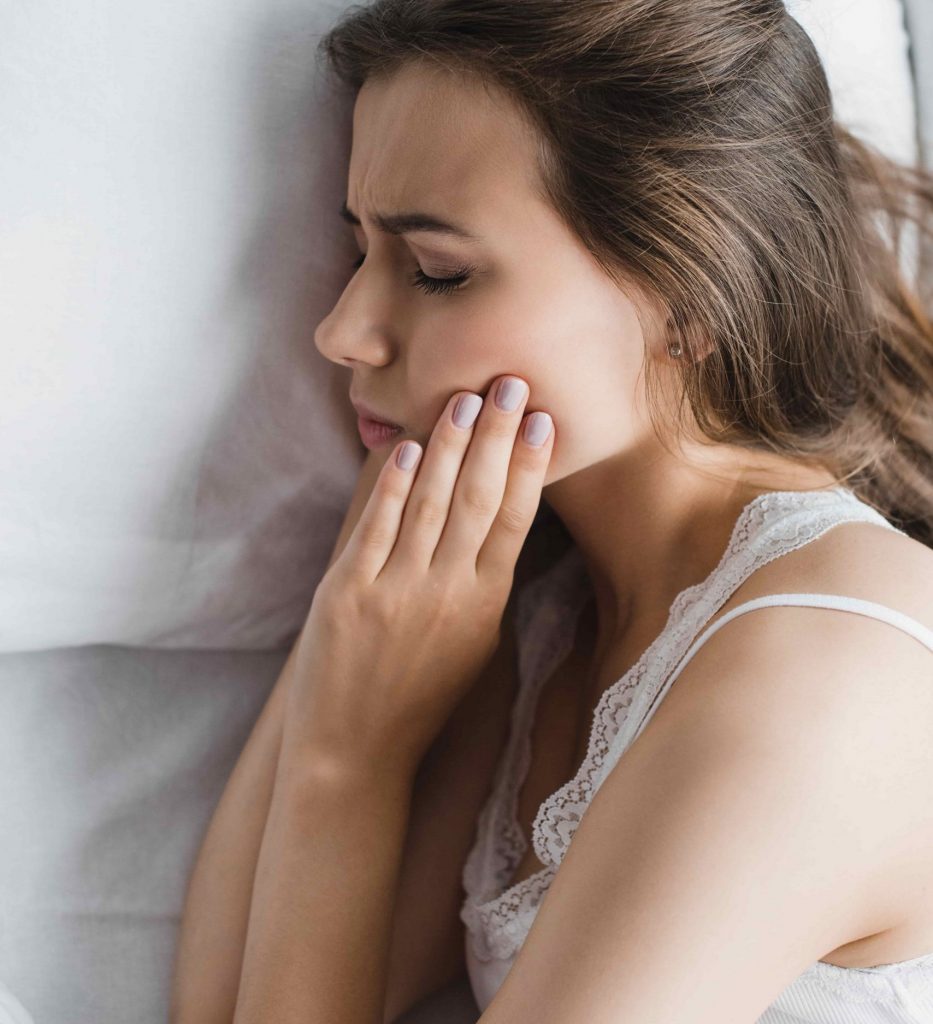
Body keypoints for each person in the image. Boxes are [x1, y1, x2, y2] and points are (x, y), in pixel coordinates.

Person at [170, 1, 933, 1021]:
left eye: (438, 271)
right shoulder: (542, 617)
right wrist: (342, 697)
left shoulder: (829, 664)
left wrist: (350, 763)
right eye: (356, 253)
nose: (343, 331)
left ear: (692, 293)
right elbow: (218, 1007)